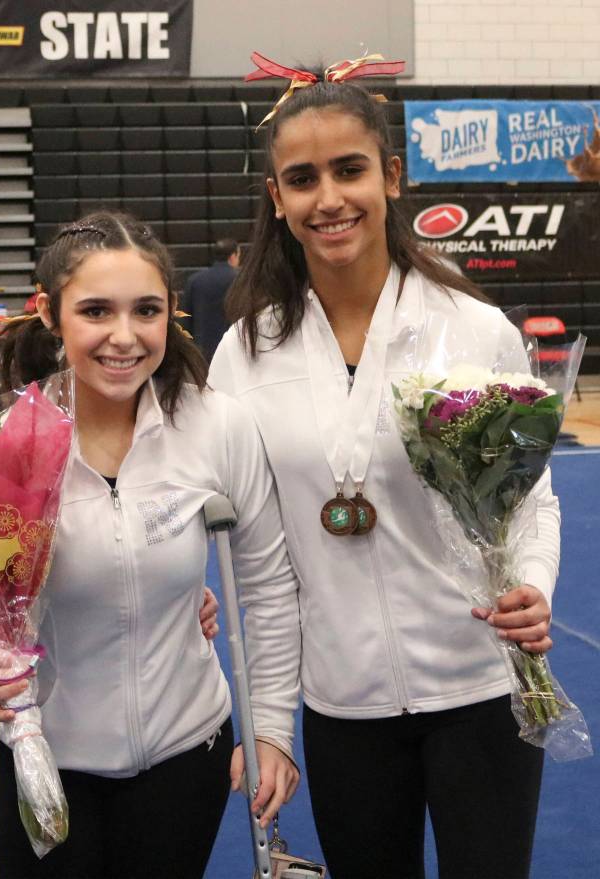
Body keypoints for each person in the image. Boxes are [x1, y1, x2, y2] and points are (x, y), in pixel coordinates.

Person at [208, 56, 559, 879]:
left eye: (349, 170)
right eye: (302, 178)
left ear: (391, 177)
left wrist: (535, 584)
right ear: (277, 198)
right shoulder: (245, 354)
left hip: (481, 687)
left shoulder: (474, 330)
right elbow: (240, 543)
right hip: (344, 705)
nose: (328, 198)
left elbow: (531, 497)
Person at [0, 212, 301, 879]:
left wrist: (270, 728)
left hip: (186, 751)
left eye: (146, 310)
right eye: (96, 310)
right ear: (49, 312)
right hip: (46, 755)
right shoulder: (9, 441)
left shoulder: (216, 425)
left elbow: (268, 585)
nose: (123, 336)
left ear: (171, 314)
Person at [178, 238, 240, 362]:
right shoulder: (240, 279)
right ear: (233, 256)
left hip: (202, 349)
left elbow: (185, 318)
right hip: (234, 347)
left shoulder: (195, 280)